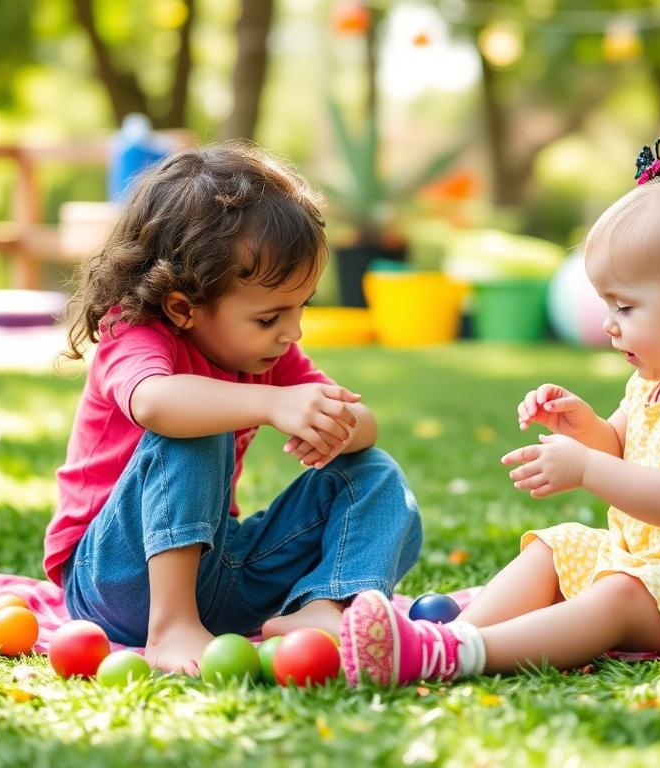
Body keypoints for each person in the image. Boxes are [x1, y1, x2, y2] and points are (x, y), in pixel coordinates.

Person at [339, 144, 660, 686]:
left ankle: (458, 655)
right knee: (555, 547)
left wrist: (585, 469)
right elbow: (621, 447)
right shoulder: (656, 379)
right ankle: (449, 635)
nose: (609, 324)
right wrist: (584, 428)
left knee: (619, 595)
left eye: (625, 306)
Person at [45, 143, 422, 674]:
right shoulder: (132, 334)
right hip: (113, 578)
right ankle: (171, 627)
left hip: (218, 568)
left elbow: (366, 427)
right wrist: (270, 402)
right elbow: (154, 402)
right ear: (184, 307)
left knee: (374, 472)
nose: (292, 332)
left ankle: (326, 606)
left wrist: (334, 423)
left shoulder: (271, 354)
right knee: (196, 424)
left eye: (301, 307)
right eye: (270, 318)